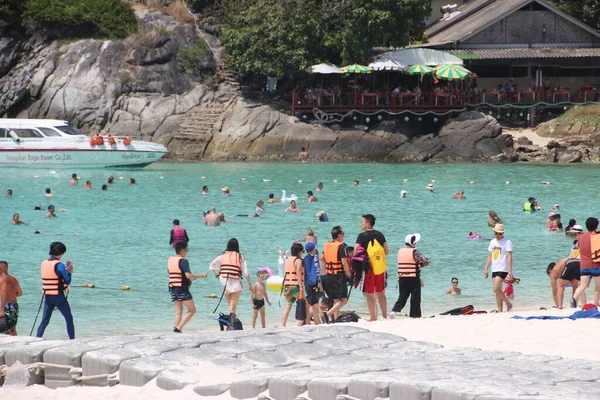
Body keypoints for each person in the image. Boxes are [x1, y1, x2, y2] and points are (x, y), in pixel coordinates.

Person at [36, 242, 75, 339]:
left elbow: (52, 273)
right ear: (60, 253)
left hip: (47, 295)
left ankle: (37, 337)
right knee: (69, 318)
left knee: (45, 320)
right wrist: (69, 272)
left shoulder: (44, 263)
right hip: (58, 296)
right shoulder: (60, 265)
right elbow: (67, 281)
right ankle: (72, 340)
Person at [355, 214, 389, 321]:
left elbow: (356, 252)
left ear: (368, 223)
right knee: (381, 293)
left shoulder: (362, 236)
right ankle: (384, 316)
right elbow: (386, 251)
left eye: (362, 222)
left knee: (370, 294)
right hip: (380, 268)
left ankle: (373, 318)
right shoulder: (380, 235)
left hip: (368, 269)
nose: (360, 224)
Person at [168, 243, 208, 333]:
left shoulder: (170, 260)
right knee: (192, 310)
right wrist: (202, 276)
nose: (187, 252)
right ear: (182, 250)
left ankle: (177, 329)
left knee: (178, 312)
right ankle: (178, 329)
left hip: (173, 288)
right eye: (186, 250)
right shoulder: (183, 261)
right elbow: (188, 275)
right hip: (182, 289)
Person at [391, 233, 431, 318]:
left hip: (402, 277)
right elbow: (425, 261)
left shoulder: (400, 251)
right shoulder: (414, 252)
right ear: (412, 243)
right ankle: (415, 315)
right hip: (413, 278)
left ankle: (394, 311)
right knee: (415, 297)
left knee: (402, 296)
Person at [209, 238, 252, 315]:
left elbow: (212, 266)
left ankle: (233, 324)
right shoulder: (240, 257)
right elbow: (246, 273)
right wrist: (250, 285)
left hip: (224, 281)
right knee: (232, 308)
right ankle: (231, 325)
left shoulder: (222, 255)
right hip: (235, 282)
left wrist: (217, 275)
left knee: (231, 307)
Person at [321, 226, 350, 322]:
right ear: (339, 235)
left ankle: (335, 319)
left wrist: (328, 267)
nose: (344, 235)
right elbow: (344, 262)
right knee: (344, 300)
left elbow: (322, 258)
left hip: (329, 274)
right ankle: (327, 314)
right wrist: (349, 275)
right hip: (339, 275)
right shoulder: (341, 246)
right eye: (343, 234)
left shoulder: (327, 245)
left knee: (336, 300)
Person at [483, 224, 513, 312]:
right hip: (494, 268)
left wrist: (510, 271)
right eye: (496, 233)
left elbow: (509, 256)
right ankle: (500, 310)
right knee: (497, 291)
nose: (498, 235)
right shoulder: (492, 242)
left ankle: (508, 303)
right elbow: (489, 256)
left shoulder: (507, 242)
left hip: (503, 268)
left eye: (500, 233)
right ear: (494, 232)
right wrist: (486, 269)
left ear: (503, 233)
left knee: (495, 288)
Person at [573, 217, 600, 306]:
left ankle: (574, 298)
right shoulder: (597, 236)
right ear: (596, 227)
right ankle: (595, 305)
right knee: (598, 287)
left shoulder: (580, 237)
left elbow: (580, 250)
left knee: (582, 285)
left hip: (584, 265)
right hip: (596, 265)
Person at [281, 243, 305, 327]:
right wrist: (301, 287)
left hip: (287, 286)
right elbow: (298, 273)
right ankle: (300, 324)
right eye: (303, 251)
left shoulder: (288, 259)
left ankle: (282, 325)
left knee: (287, 307)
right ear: (299, 252)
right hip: (295, 286)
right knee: (304, 303)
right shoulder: (298, 260)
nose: (303, 253)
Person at [0, 261, 23, 335]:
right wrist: (11, 296)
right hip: (14, 305)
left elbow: (4, 295)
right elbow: (20, 293)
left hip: (7, 306)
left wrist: (2, 310)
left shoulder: (2, 280)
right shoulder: (13, 279)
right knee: (12, 328)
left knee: (7, 328)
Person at [303, 242, 321, 325]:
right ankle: (317, 321)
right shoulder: (316, 258)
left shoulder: (304, 259)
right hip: (315, 282)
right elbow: (317, 271)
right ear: (314, 249)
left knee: (310, 301)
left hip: (307, 282)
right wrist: (320, 283)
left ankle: (307, 320)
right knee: (315, 303)